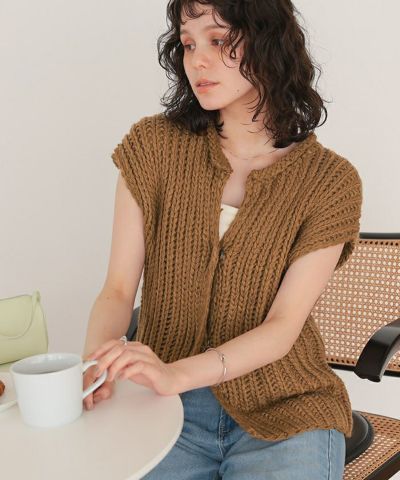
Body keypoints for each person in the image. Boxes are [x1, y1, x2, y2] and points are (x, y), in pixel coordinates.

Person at [82, 1, 363, 478]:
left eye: (218, 40)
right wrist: (97, 365)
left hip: (286, 407)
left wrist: (176, 374)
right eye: (188, 44)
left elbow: (283, 327)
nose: (198, 60)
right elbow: (117, 290)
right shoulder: (153, 148)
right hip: (161, 406)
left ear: (269, 42)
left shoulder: (330, 183)